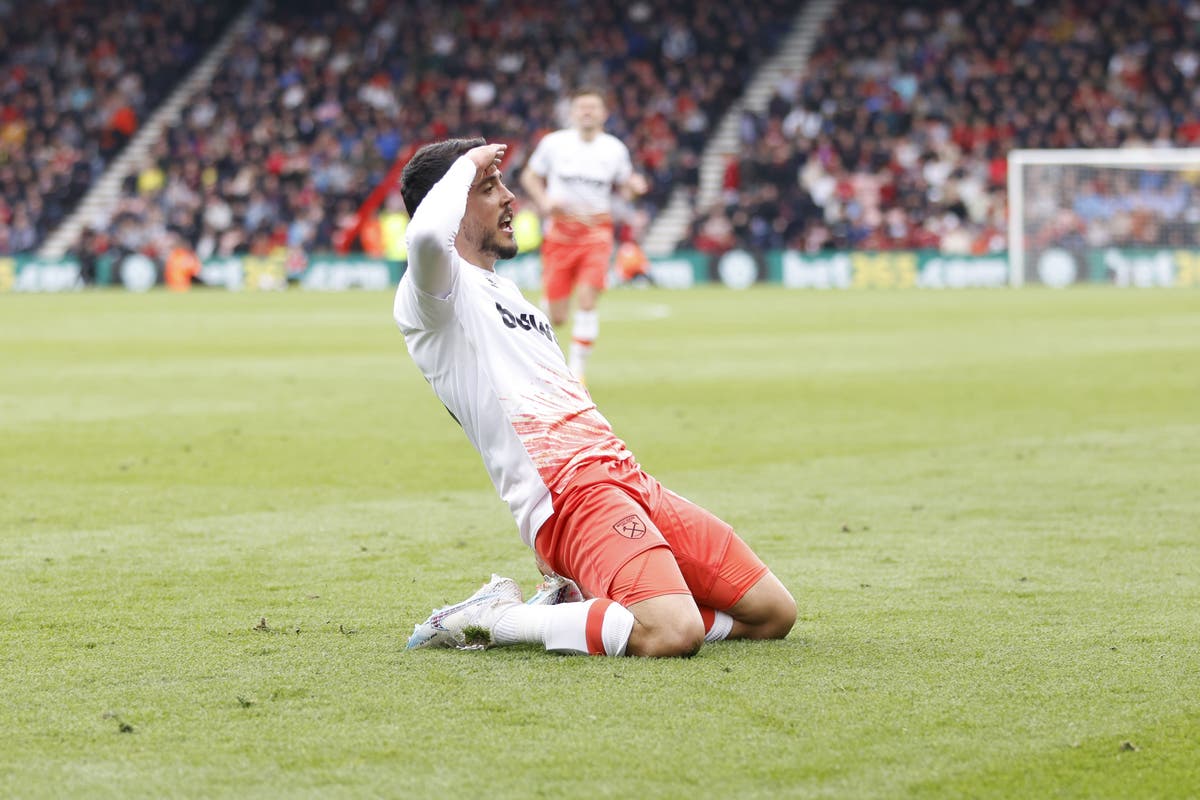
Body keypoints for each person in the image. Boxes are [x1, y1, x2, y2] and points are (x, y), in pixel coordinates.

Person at [393, 138, 796, 658]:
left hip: (627, 477)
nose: (511, 197)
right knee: (673, 633)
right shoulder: (432, 296)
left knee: (774, 613)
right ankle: (495, 617)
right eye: (489, 188)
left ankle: (588, 604)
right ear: (449, 201)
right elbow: (428, 234)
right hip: (569, 494)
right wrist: (469, 163)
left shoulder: (509, 295)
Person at [519, 87, 649, 382]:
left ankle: (576, 374)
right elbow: (529, 176)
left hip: (597, 232)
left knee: (588, 298)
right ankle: (544, 354)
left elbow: (625, 190)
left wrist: (635, 188)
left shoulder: (614, 149)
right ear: (572, 112)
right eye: (581, 107)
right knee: (557, 316)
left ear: (604, 113)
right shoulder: (554, 143)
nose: (587, 112)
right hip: (560, 233)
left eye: (593, 107)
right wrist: (544, 201)